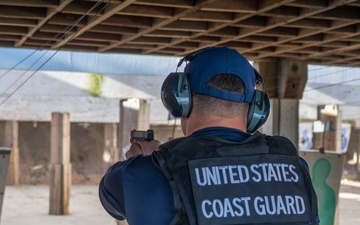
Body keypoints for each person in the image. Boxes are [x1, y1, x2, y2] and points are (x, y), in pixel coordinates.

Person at [99, 46, 319, 225]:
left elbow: (111, 200)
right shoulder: (294, 168)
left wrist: (142, 160)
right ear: (256, 110)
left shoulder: (148, 172)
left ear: (180, 100)